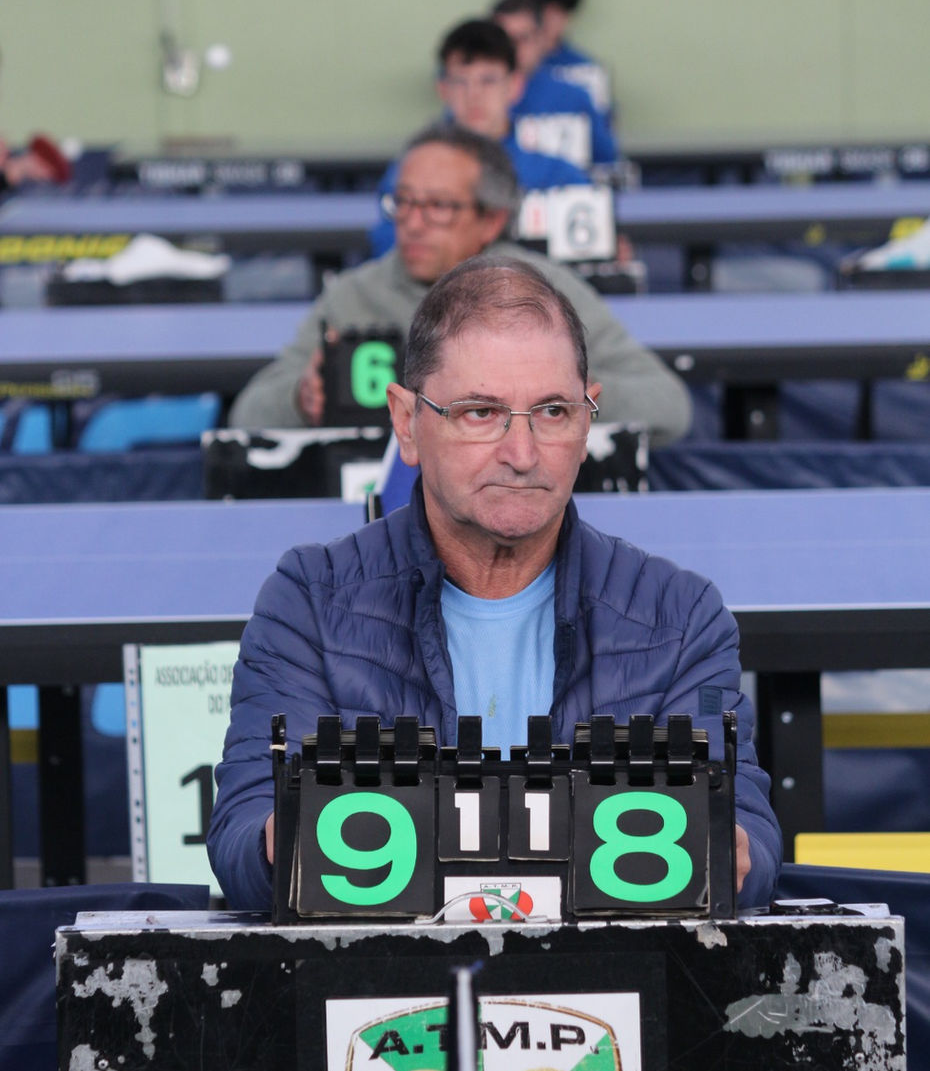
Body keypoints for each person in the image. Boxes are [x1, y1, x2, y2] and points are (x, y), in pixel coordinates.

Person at [207, 255, 782, 911]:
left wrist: (732, 851)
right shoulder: (308, 602)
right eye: (481, 412)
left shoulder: (683, 618)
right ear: (406, 421)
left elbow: (750, 840)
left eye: (553, 411)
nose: (522, 453)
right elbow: (243, 841)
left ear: (588, 419)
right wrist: (285, 838)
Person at [229, 123, 691, 443]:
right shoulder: (353, 295)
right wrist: (300, 400)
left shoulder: (546, 291)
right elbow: (245, 416)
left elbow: (670, 408)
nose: (413, 223)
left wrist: (564, 397)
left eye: (438, 207)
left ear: (492, 220)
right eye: (403, 202)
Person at [369, 17, 591, 256]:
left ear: (515, 86)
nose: (473, 95)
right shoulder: (412, 172)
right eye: (460, 82)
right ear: (443, 89)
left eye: (488, 81)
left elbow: (589, 249)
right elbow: (388, 245)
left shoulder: (559, 176)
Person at [491, 0, 618, 171]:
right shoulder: (472, 99)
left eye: (523, 38)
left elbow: (607, 163)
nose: (513, 48)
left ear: (541, 39)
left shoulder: (574, 98)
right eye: (505, 40)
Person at [538, 0, 614, 118]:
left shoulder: (589, 71)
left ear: (567, 17)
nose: (548, 20)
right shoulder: (515, 68)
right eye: (542, 11)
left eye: (557, 12)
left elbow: (603, 122)